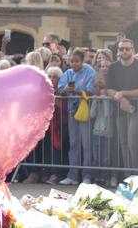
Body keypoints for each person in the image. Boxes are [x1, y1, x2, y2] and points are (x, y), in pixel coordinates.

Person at [106, 38, 138, 173]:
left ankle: (137, 175)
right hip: (120, 110)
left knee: (133, 144)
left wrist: (123, 94)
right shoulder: (114, 67)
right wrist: (121, 99)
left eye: (127, 48)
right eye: (121, 49)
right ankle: (128, 175)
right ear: (118, 51)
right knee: (124, 144)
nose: (124, 51)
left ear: (133, 50)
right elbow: (109, 89)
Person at [58, 49, 95, 185]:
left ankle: (87, 176)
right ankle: (73, 175)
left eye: (77, 61)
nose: (74, 64)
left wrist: (77, 91)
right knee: (73, 144)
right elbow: (60, 91)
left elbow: (91, 90)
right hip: (72, 111)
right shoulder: (67, 73)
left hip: (85, 111)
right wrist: (65, 90)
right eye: (71, 61)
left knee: (86, 144)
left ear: (82, 60)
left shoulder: (89, 71)